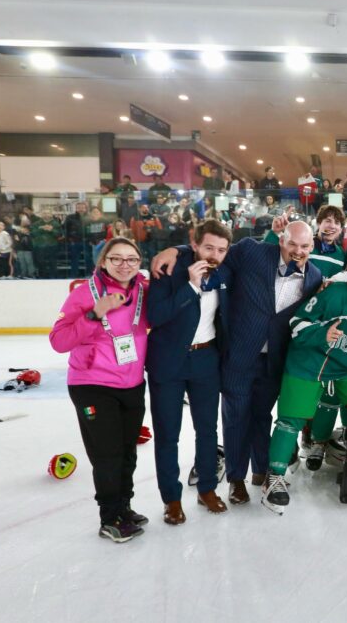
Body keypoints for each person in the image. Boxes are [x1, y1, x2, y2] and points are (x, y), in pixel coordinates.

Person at [150, 220, 323, 505]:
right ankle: (235, 479)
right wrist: (176, 250)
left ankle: (260, 471)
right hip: (239, 356)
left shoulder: (314, 277)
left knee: (262, 416)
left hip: (274, 361)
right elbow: (212, 252)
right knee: (235, 418)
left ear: (312, 246)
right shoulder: (253, 252)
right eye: (292, 243)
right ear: (281, 240)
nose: (297, 250)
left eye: (304, 246)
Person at [263, 254, 347, 513]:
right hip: (309, 360)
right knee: (291, 419)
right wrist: (321, 333)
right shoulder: (334, 294)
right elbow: (297, 323)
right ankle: (275, 476)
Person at [49, 237, 151, 542]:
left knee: (127, 452)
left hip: (132, 383)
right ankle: (110, 517)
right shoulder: (84, 294)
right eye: (116, 259)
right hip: (91, 385)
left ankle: (124, 507)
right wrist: (94, 314)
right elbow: (59, 341)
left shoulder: (144, 291)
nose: (124, 265)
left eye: (131, 259)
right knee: (107, 455)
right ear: (103, 262)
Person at [145, 220, 233, 525]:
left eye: (221, 250)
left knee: (207, 430)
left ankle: (207, 489)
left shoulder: (225, 269)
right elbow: (154, 316)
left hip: (206, 359)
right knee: (167, 435)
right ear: (194, 244)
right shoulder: (168, 269)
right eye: (208, 247)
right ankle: (171, 499)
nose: (215, 254)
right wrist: (191, 287)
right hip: (168, 361)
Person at [63, 201, 92, 278]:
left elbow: (92, 230)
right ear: (76, 208)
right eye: (79, 207)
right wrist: (69, 239)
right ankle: (73, 275)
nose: (81, 209)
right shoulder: (70, 217)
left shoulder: (90, 217)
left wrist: (91, 240)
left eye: (82, 207)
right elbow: (65, 229)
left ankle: (89, 275)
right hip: (74, 242)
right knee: (74, 259)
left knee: (88, 259)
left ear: (86, 208)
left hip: (87, 241)